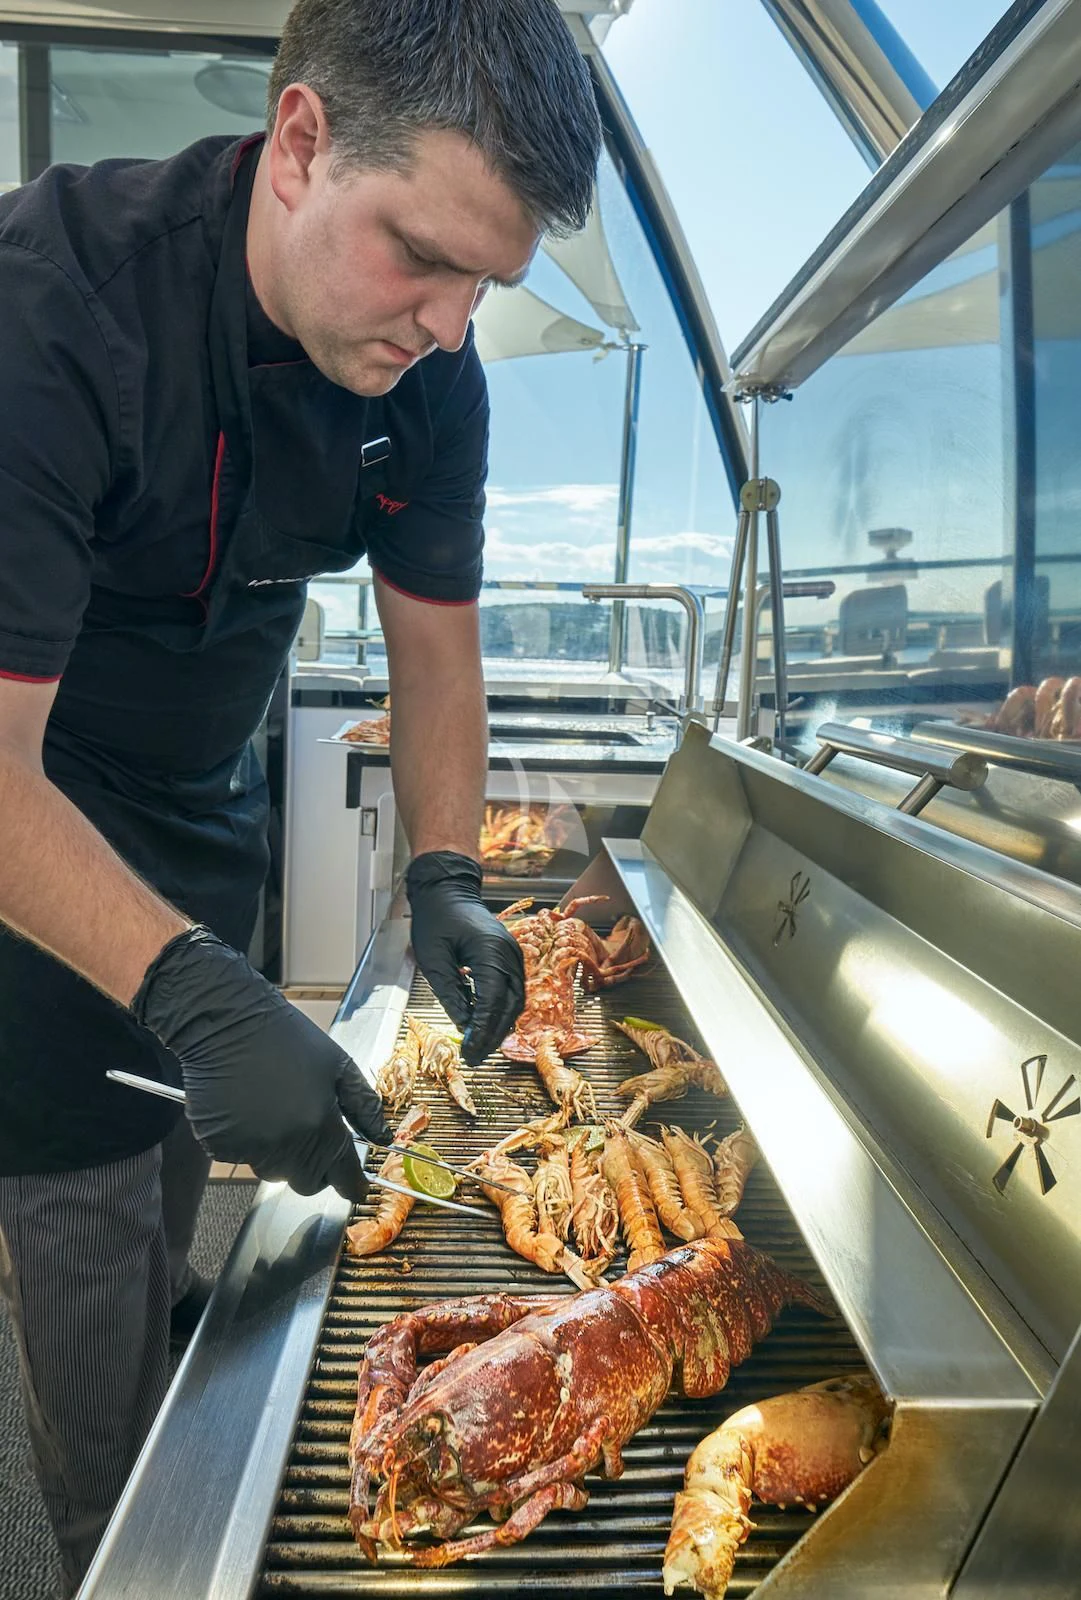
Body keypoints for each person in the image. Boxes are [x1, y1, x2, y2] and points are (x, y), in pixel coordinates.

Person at [0, 0, 601, 1589]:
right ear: (300, 143)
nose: (451, 322)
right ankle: (116, 1538)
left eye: (489, 281)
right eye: (424, 255)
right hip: (26, 834)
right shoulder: (54, 308)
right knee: (85, 1244)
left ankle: (174, 1331)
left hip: (205, 815)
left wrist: (449, 875)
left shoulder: (430, 370)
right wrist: (185, 990)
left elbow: (436, 660)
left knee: (192, 1175)